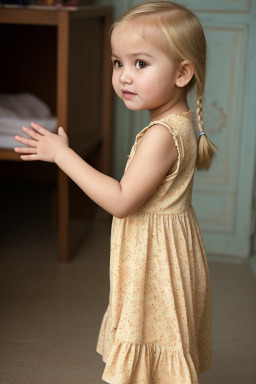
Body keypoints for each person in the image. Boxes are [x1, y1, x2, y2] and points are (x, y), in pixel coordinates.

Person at [14, 1, 218, 382]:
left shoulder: (161, 135)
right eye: (117, 63)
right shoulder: (179, 123)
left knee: (143, 347)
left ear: (182, 72)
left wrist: (63, 155)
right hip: (164, 252)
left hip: (156, 263)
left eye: (140, 64)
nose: (124, 76)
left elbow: (121, 201)